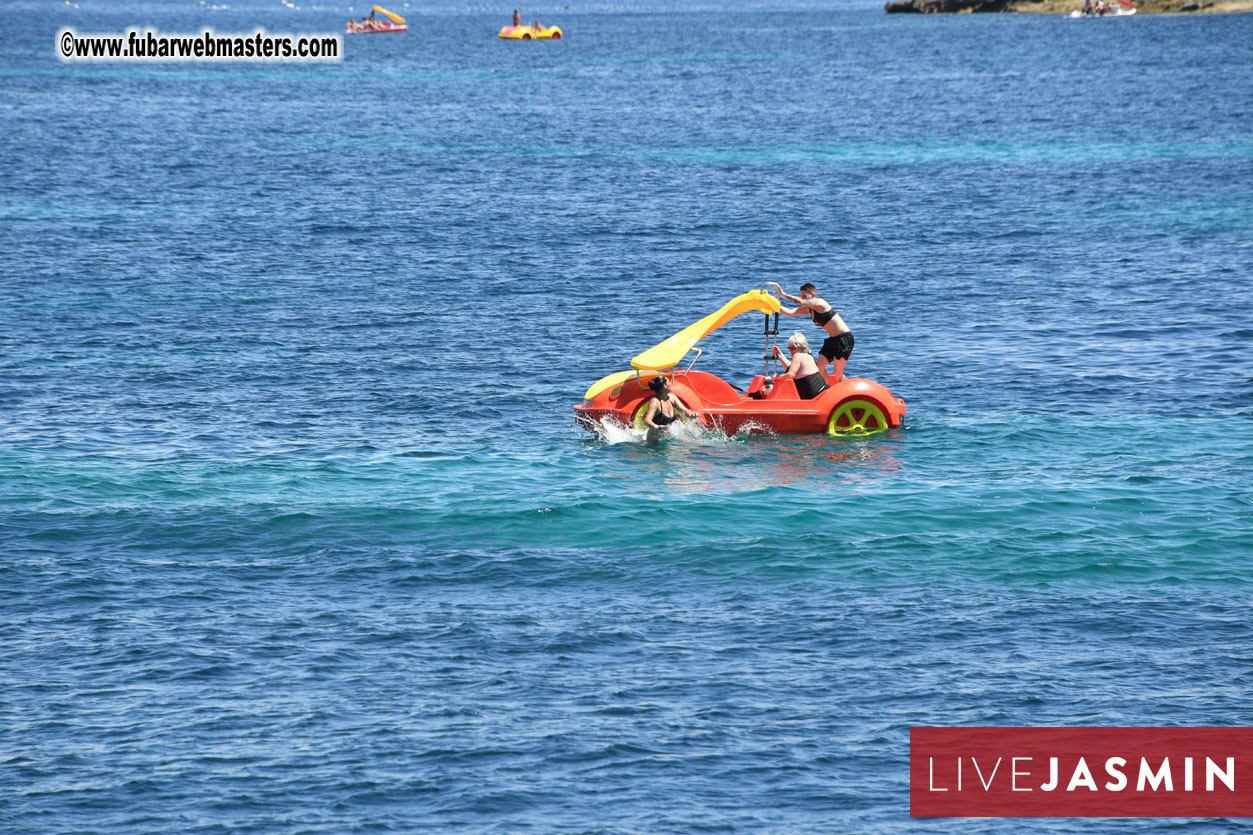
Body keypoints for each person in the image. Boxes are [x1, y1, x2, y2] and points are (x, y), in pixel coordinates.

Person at [764, 281, 854, 383]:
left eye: (805, 296)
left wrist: (783, 294)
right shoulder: (809, 310)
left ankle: (844, 390)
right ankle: (824, 390)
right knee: (818, 367)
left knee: (838, 373)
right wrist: (772, 305)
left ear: (813, 295)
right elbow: (790, 312)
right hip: (832, 340)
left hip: (844, 339)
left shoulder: (820, 303)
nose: (803, 298)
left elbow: (800, 302)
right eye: (801, 295)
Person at [764, 333, 829, 400]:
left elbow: (790, 375)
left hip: (815, 397)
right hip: (823, 392)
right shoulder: (808, 356)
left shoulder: (797, 355)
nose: (791, 351)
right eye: (789, 348)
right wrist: (780, 356)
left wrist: (777, 377)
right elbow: (791, 368)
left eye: (793, 348)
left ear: (801, 347)